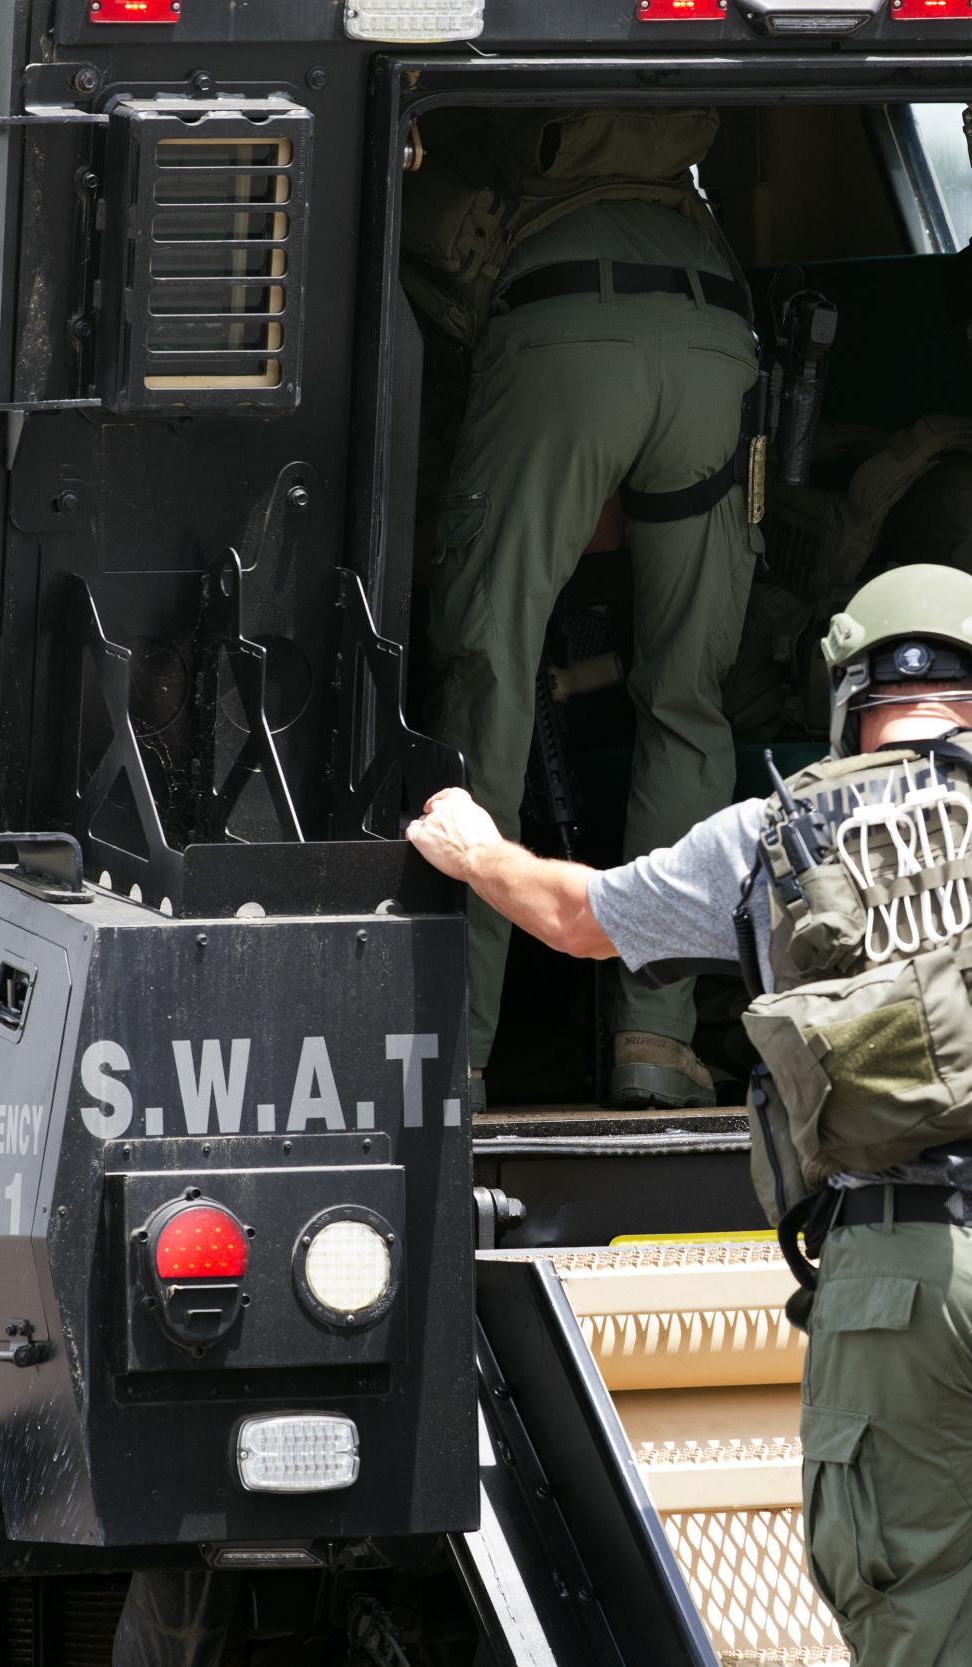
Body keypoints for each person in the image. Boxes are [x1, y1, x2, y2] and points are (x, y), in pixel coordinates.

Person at [408, 565, 972, 1667]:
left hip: (897, 1279)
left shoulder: (766, 835)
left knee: (907, 1600)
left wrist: (476, 844)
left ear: (850, 697)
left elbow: (575, 916)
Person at [404, 105, 761, 1111]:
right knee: (688, 695)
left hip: (561, 337)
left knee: (490, 677)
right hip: (713, 339)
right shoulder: (674, 162)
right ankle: (657, 1037)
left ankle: (457, 1048)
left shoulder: (473, 127)